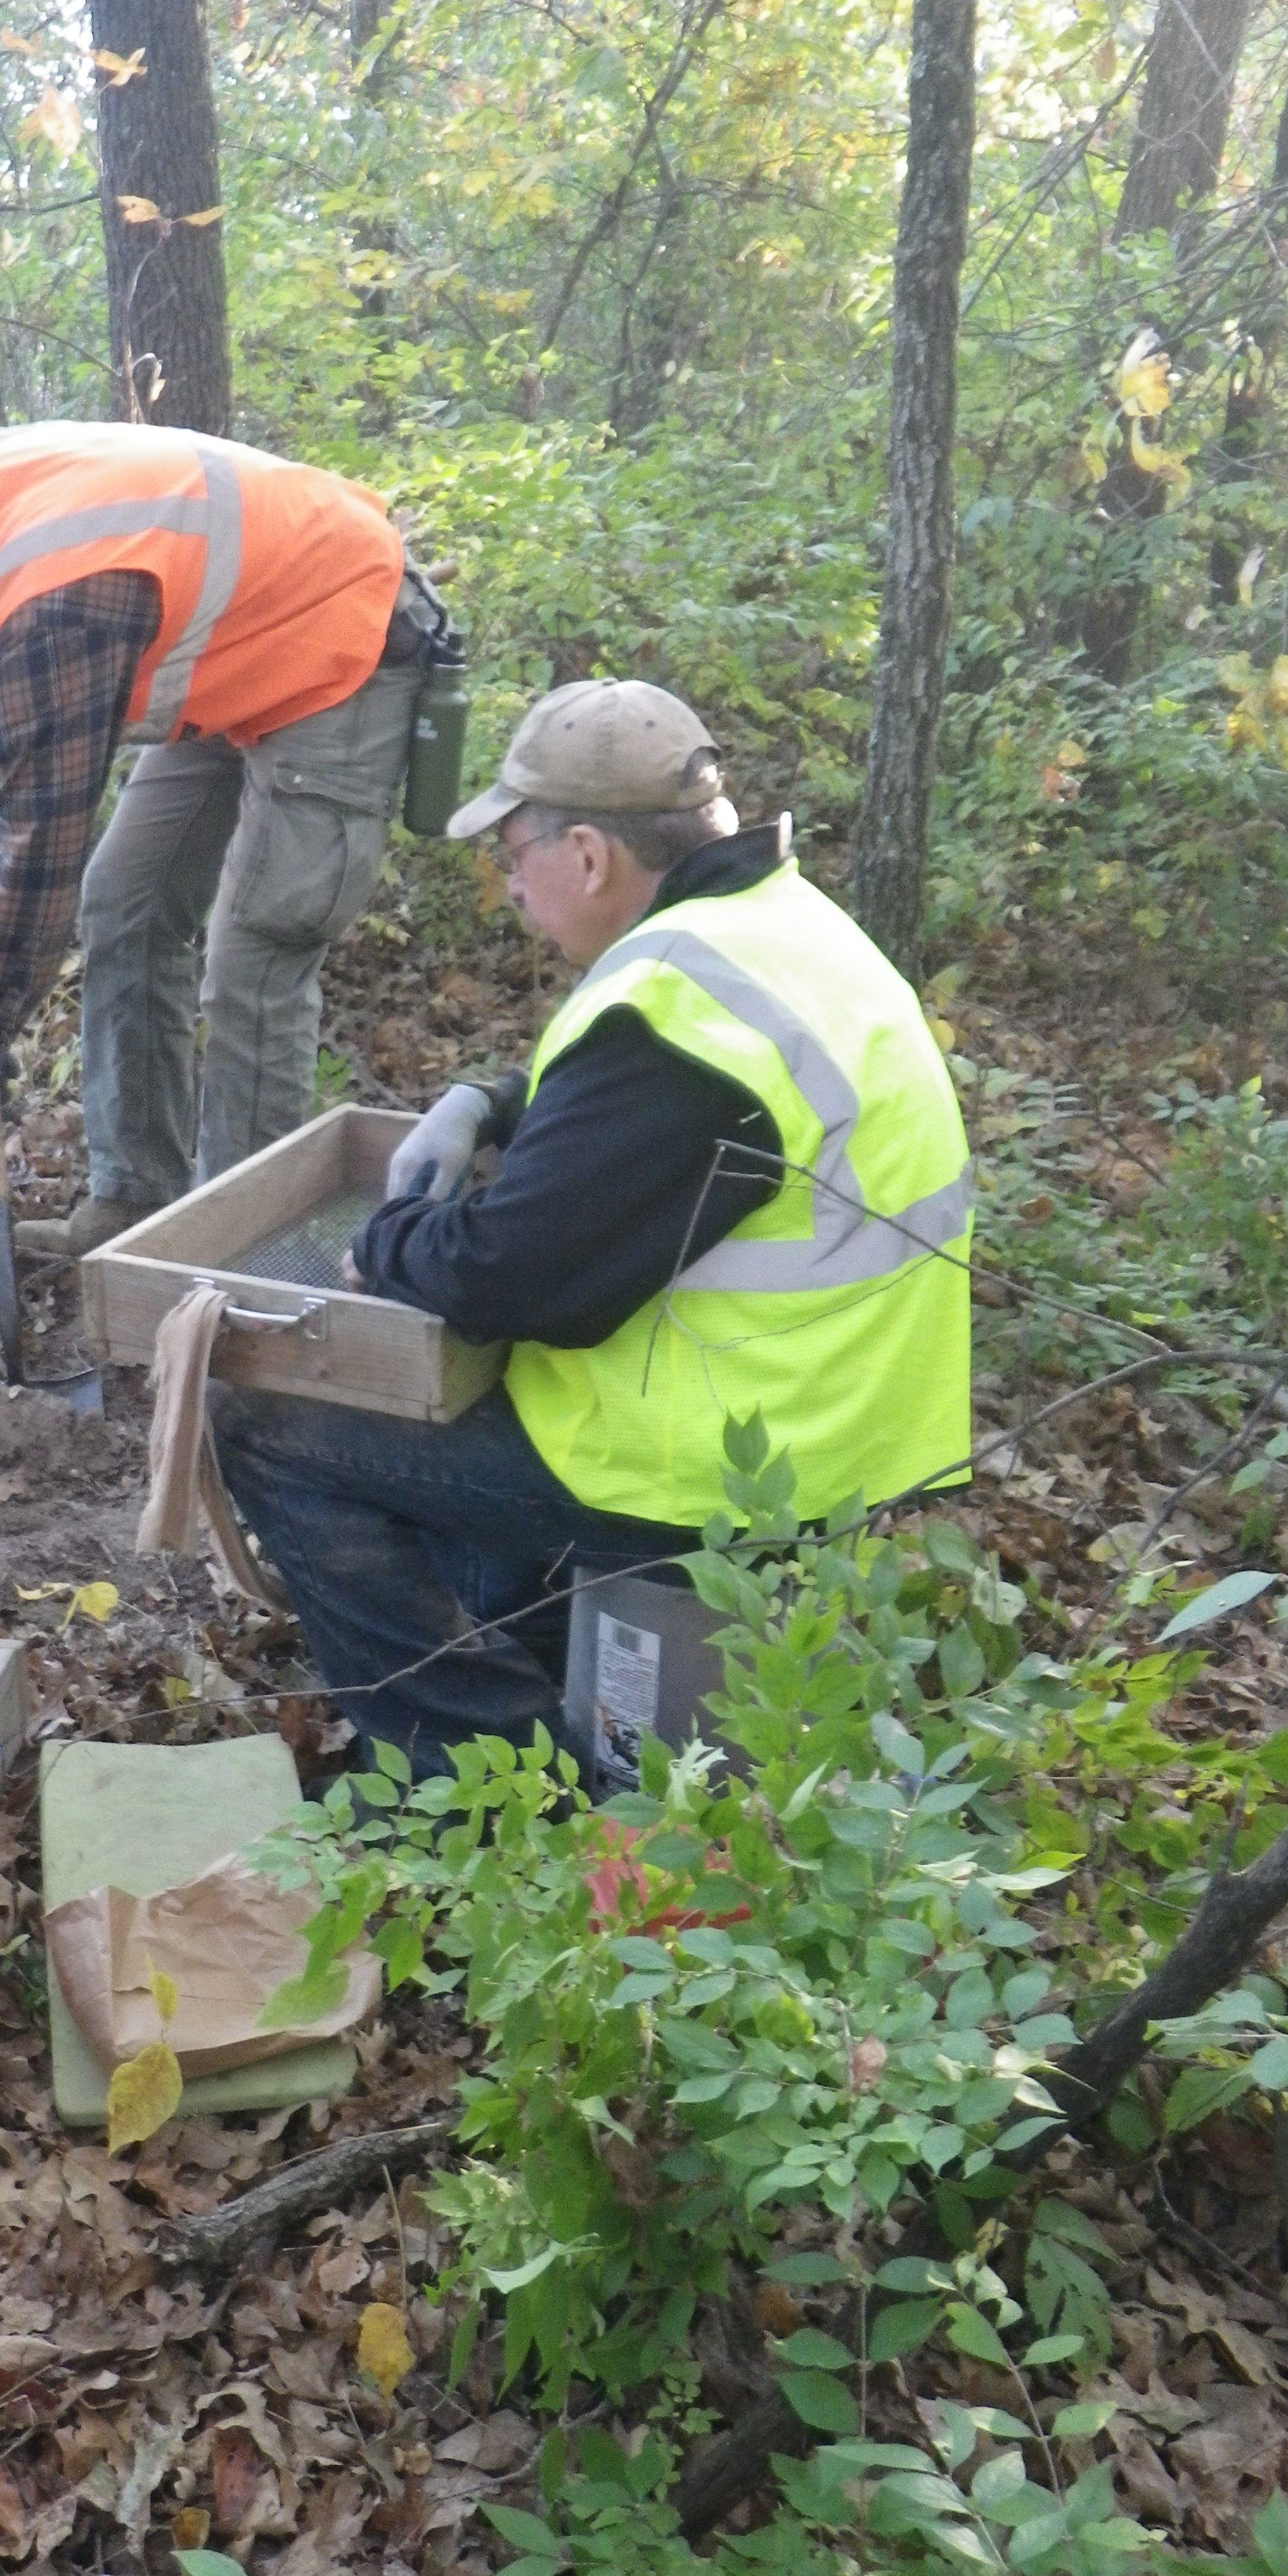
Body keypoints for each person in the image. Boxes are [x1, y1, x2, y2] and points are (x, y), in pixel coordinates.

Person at [208, 678, 974, 1788]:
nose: (510, 884)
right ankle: (525, 1655)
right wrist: (495, 1102)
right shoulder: (781, 925)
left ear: (587, 853)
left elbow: (505, 1278)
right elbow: (660, 1112)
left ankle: (487, 1777)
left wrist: (388, 1242)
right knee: (464, 1411)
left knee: (269, 1415)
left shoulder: (678, 1014)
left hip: (721, 1473)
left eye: (513, 853)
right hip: (845, 1432)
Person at [0, 423, 458, 1255]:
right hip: (235, 643)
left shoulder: (51, 615)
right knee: (125, 899)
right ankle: (138, 1207)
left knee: (254, 962)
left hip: (341, 637)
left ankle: (244, 1277)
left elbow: (38, 862)